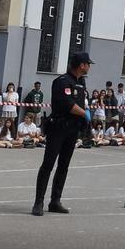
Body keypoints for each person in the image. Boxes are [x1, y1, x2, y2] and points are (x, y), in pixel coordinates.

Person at [32, 52, 91, 216]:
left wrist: (85, 115)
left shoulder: (81, 82)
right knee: (48, 164)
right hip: (58, 127)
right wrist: (84, 113)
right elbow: (67, 104)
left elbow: (80, 102)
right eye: (88, 64)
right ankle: (38, 202)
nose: (89, 67)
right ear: (82, 65)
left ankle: (55, 201)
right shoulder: (62, 81)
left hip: (73, 129)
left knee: (64, 165)